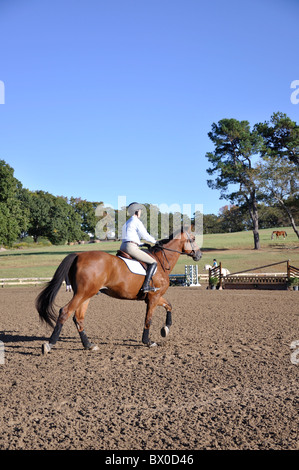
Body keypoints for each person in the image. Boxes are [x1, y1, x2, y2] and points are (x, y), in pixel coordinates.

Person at [120, 202, 158, 293]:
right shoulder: (136, 221)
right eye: (140, 210)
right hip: (130, 247)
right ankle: (146, 285)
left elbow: (130, 237)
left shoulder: (127, 222)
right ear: (137, 211)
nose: (140, 212)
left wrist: (141, 244)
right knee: (153, 262)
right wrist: (156, 242)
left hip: (123, 246)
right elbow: (145, 235)